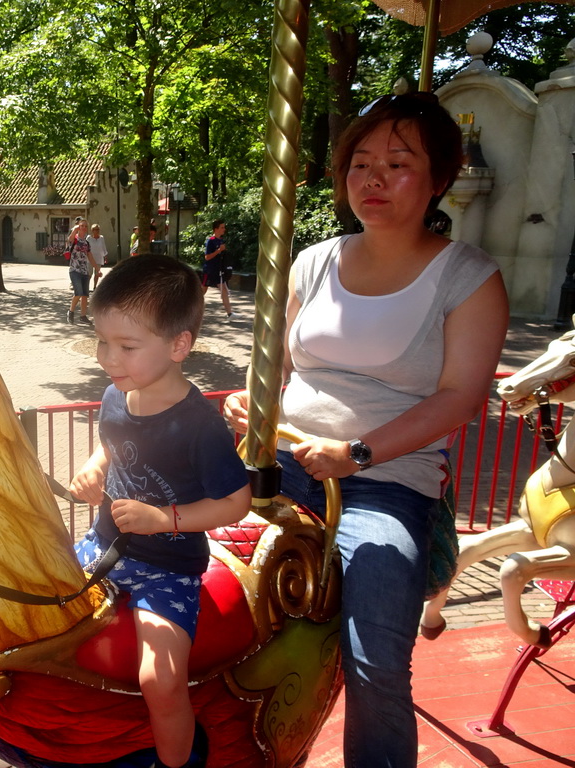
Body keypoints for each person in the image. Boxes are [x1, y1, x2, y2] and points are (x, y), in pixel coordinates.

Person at [222, 92, 509, 767]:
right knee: (162, 541)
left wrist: (357, 452)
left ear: (440, 177)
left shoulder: (467, 277)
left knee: (376, 661)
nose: (373, 179)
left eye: (398, 163)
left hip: (384, 481)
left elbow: (461, 397)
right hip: (282, 458)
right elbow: (274, 361)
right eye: (361, 163)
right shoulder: (315, 261)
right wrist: (250, 401)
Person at [69, 255, 251, 768]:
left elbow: (236, 502)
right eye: (102, 341)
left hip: (165, 567)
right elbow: (111, 444)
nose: (108, 357)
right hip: (102, 543)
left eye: (127, 347)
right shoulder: (115, 395)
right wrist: (92, 467)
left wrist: (162, 519)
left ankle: (177, 763)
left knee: (160, 678)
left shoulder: (200, 427)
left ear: (178, 346)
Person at [201, 220, 233, 321]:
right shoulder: (210, 241)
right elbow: (207, 257)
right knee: (202, 291)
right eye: (222, 227)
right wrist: (219, 250)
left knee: (223, 290)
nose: (224, 229)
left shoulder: (221, 241)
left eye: (224, 227)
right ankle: (188, 307)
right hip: (209, 270)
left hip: (218, 271)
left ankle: (230, 313)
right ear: (216, 229)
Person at [66, 220, 93, 324]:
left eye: (86, 226)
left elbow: (90, 256)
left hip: (84, 270)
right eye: (82, 226)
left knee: (85, 295)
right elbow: (70, 239)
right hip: (74, 270)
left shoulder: (86, 242)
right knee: (78, 293)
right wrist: (75, 230)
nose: (84, 228)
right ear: (78, 227)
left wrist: (97, 268)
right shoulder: (75, 239)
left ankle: (83, 316)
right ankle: (71, 312)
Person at [88, 223, 108, 288]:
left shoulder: (101, 238)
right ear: (92, 230)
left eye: (98, 229)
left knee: (97, 274)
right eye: (95, 229)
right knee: (89, 274)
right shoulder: (89, 238)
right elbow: (85, 247)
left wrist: (105, 256)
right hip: (90, 258)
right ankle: (86, 287)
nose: (96, 231)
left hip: (99, 258)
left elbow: (103, 247)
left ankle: (94, 287)